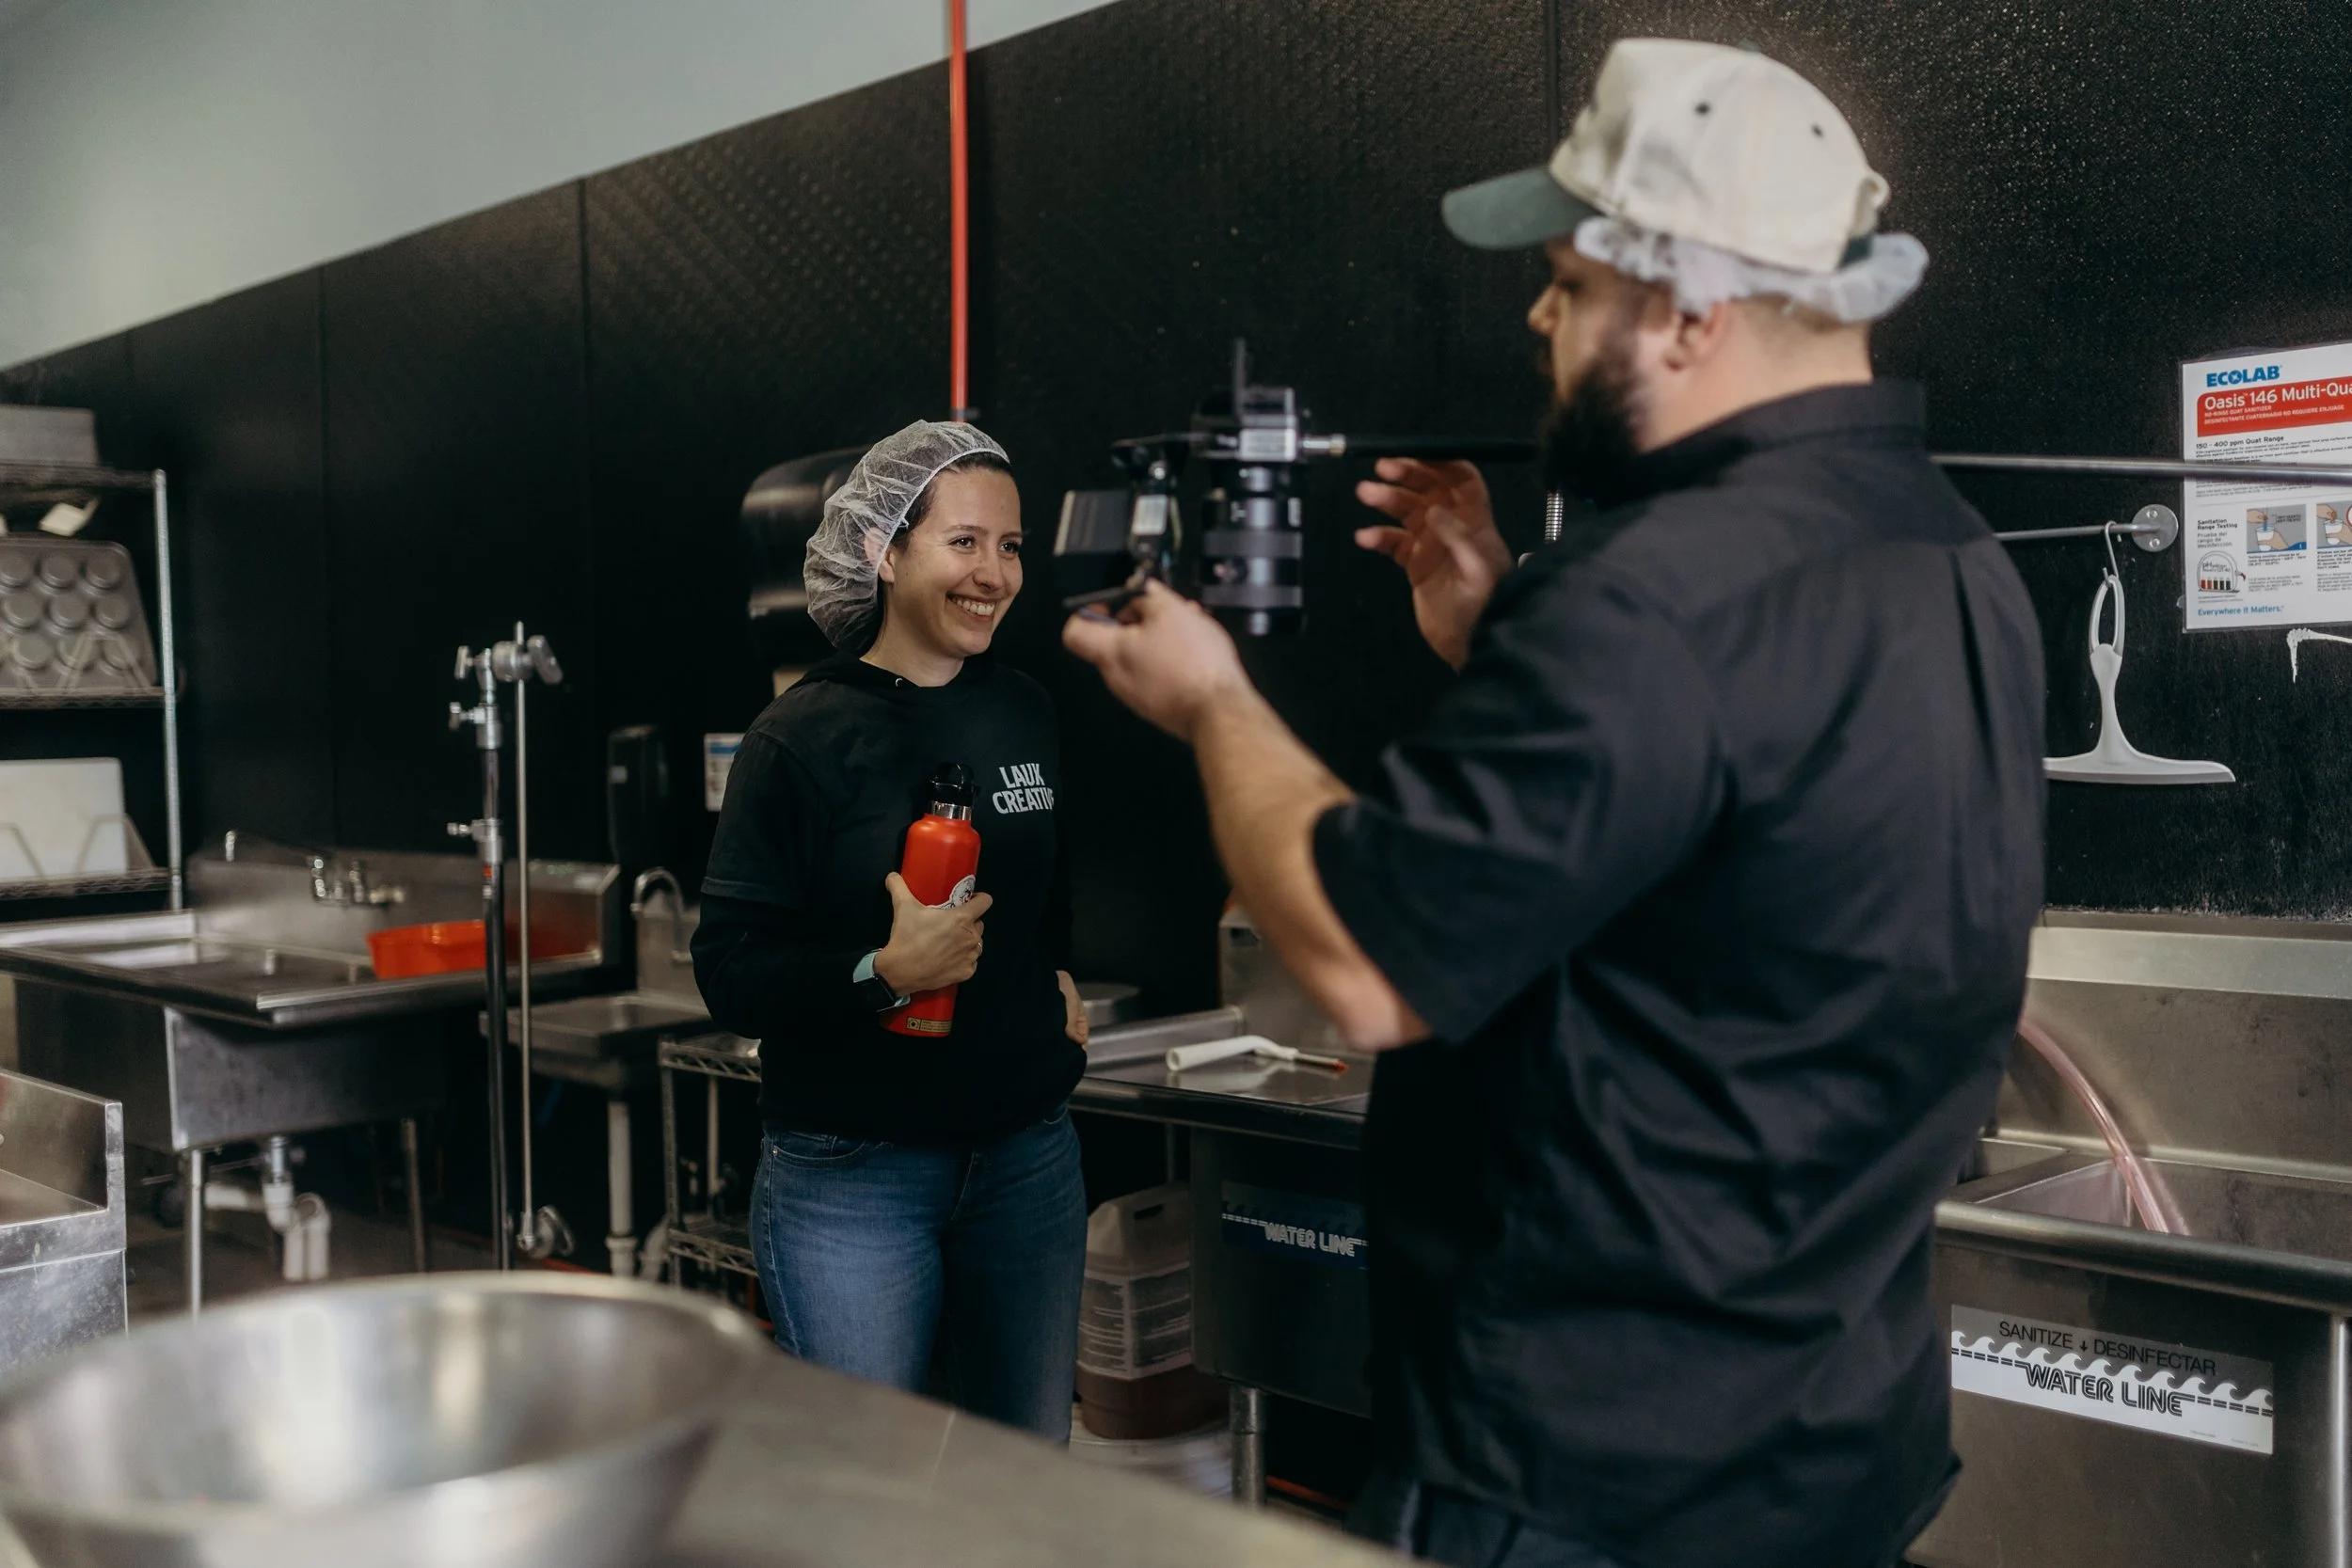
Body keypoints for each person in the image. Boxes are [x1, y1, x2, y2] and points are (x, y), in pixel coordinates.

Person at [1064, 38, 2043, 1568]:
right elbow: (1724, 817)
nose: (1539, 317)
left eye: (1572, 284)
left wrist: (1214, 702)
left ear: (1691, 313)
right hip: (1834, 1454)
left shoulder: (1650, 597)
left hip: (1585, 1481)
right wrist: (1498, 626)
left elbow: (1365, 961)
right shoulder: (1958, 561)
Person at [693, 420, 1090, 1441]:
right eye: (964, 541)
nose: (994, 573)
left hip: (1026, 1159)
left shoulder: (1026, 710)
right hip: (853, 1175)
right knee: (870, 1484)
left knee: (1026, 1474)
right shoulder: (799, 737)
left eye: (1010, 545)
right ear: (885, 550)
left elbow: (1045, 893)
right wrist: (883, 971)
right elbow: (729, 970)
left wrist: (1057, 983)